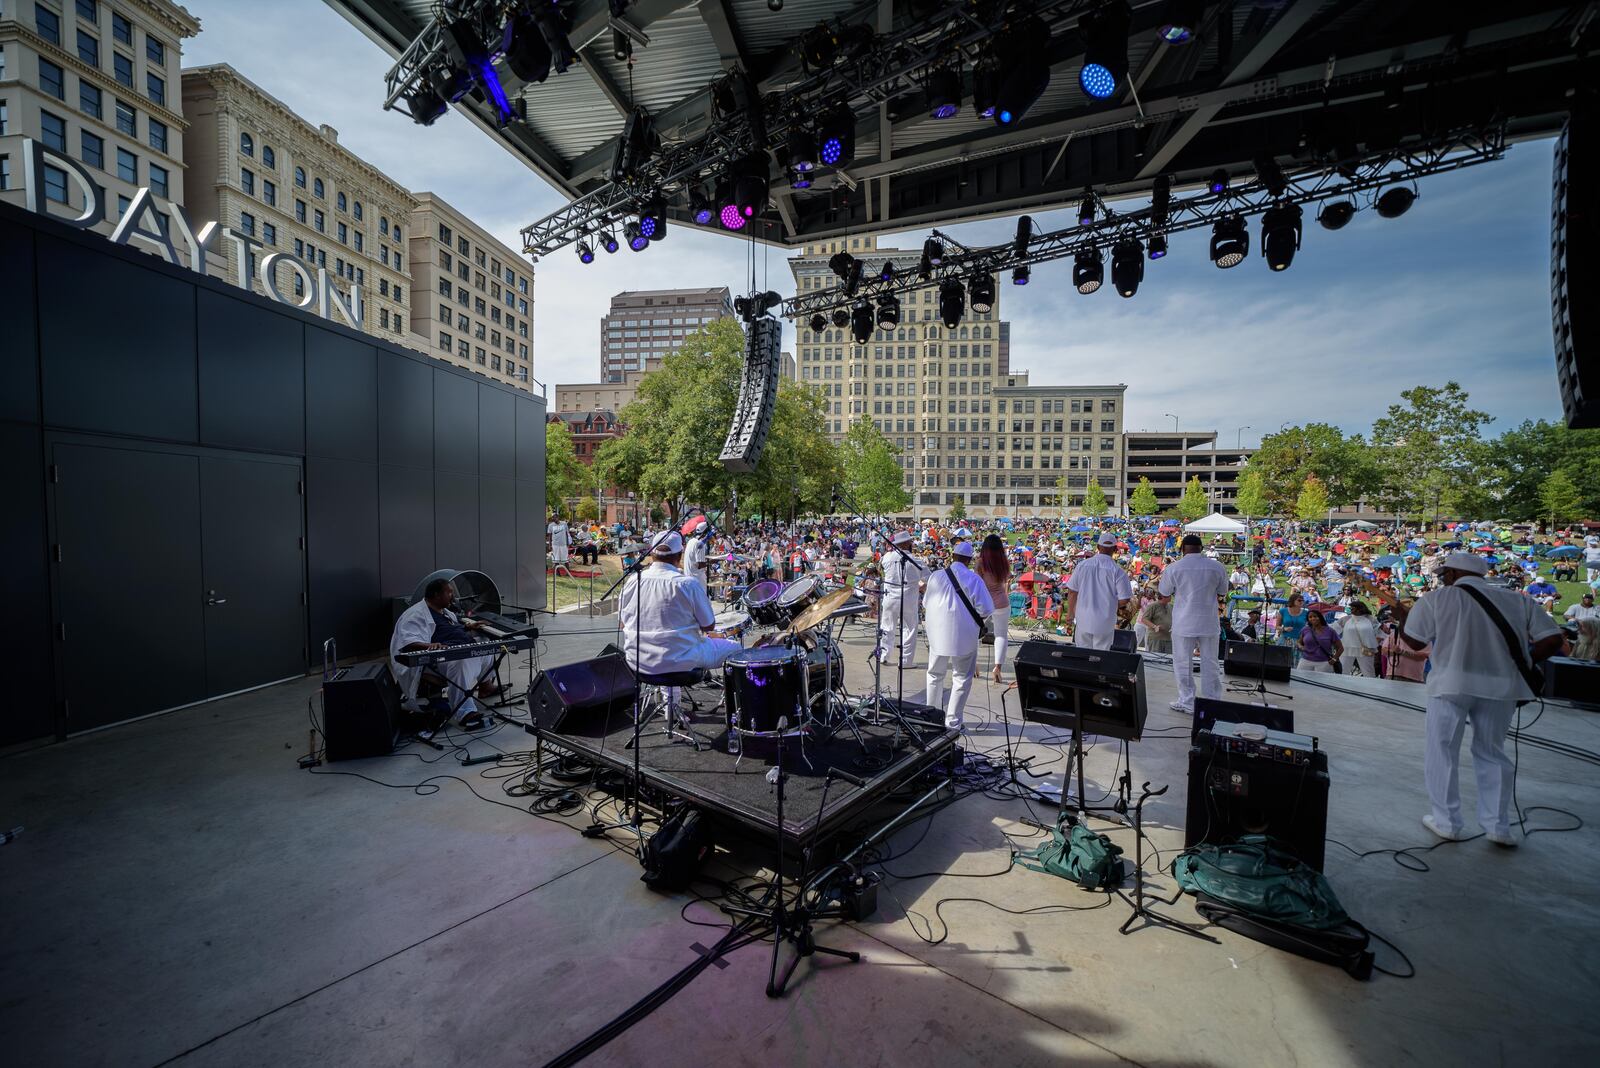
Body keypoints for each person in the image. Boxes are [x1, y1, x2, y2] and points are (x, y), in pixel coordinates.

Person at [1391, 552, 1564, 847]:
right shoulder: (1517, 600)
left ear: (1455, 574)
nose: (1442, 577)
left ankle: (1447, 822)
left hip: (1451, 684)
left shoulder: (1437, 599)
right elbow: (1553, 639)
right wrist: (1521, 661)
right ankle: (1498, 827)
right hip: (1502, 687)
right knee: (1492, 752)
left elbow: (1416, 641)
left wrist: (1403, 617)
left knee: (1442, 751)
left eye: (1445, 573)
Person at [618, 532, 742, 676]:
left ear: (652, 553)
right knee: (735, 647)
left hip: (637, 660)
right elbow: (709, 625)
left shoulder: (632, 581)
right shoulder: (688, 584)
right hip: (681, 659)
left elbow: (622, 624)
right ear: (679, 555)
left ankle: (670, 698)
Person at [391, 578, 504, 728]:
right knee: (461, 662)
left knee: (486, 646)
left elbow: (450, 629)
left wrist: (469, 627)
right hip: (438, 659)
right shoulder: (415, 615)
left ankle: (486, 687)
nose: (453, 596)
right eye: (449, 592)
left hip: (460, 649)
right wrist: (429, 645)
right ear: (437, 595)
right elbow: (408, 643)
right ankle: (465, 712)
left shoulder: (444, 611)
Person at [923, 540, 996, 731]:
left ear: (952, 556)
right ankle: (953, 722)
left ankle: (931, 718)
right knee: (961, 678)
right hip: (964, 635)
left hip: (937, 634)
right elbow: (987, 609)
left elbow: (925, 603)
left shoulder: (936, 576)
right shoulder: (974, 579)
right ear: (969, 560)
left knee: (934, 674)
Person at [1158, 534, 1231, 713]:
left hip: (1184, 622)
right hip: (1208, 621)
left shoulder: (1174, 568)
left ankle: (1187, 701)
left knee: (1183, 663)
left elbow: (1164, 593)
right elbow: (1223, 591)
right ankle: (1212, 701)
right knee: (1211, 662)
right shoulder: (1216, 566)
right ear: (1202, 548)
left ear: (1183, 549)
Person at [1065, 532, 1133, 650]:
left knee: (1082, 656)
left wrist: (1070, 614)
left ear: (1097, 547)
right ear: (1115, 549)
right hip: (1105, 621)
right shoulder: (1118, 571)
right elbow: (1125, 599)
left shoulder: (1082, 566)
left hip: (1083, 619)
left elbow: (1072, 592)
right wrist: (1110, 606)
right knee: (1100, 657)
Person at [876, 531, 928, 668]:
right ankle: (905, 661)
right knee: (909, 629)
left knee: (887, 626)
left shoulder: (886, 557)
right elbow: (930, 579)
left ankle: (883, 655)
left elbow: (883, 570)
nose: (911, 544)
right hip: (908, 599)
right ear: (905, 543)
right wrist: (920, 585)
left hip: (890, 598)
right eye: (909, 541)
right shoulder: (916, 561)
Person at [975, 534, 1012, 683]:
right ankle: (998, 668)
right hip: (1002, 601)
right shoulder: (1004, 563)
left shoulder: (980, 563)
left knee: (975, 634)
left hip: (984, 602)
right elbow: (1005, 581)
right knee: (1001, 635)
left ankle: (974, 664)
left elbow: (976, 584)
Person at [1337, 600, 1379, 677]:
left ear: (1359, 609)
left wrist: (1376, 643)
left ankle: (1370, 688)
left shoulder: (1371, 619)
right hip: (1347, 648)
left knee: (1368, 672)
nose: (1350, 610)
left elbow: (1379, 632)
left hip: (1366, 649)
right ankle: (1340, 686)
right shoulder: (1346, 619)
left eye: (1352, 608)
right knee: (1342, 670)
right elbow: (1332, 629)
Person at [682, 514, 712, 591]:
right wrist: (713, 561)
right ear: (706, 533)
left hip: (689, 577)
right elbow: (700, 565)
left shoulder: (691, 541)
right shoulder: (699, 544)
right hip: (697, 579)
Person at [1277, 593, 1309, 664]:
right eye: (1299, 600)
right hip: (1285, 640)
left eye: (1302, 600)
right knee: (1283, 662)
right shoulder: (1283, 611)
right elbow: (1277, 626)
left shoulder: (1306, 612)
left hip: (1299, 642)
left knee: (1298, 663)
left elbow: (1310, 626)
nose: (1301, 602)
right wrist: (1284, 629)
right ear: (1293, 601)